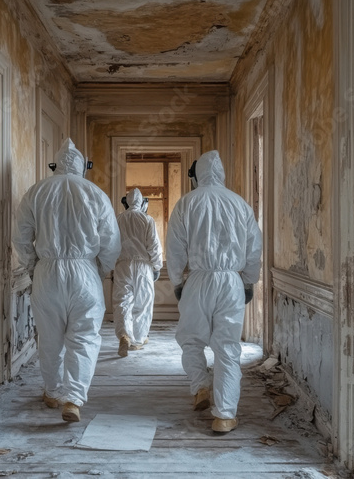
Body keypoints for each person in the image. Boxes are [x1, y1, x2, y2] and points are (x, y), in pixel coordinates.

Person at [12, 138, 120, 423]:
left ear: (55, 165)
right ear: (83, 166)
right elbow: (111, 241)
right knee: (84, 337)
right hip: (86, 272)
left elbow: (21, 237)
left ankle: (52, 390)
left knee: (50, 337)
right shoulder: (95, 193)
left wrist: (34, 266)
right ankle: (74, 398)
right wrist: (101, 270)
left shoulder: (36, 192)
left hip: (48, 272)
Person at [166, 150, 262, 434]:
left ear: (196, 175)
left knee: (191, 339)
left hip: (197, 279)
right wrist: (248, 282)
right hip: (231, 281)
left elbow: (174, 249)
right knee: (228, 348)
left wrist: (177, 282)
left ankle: (200, 388)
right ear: (220, 174)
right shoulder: (240, 204)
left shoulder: (186, 203)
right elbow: (253, 249)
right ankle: (225, 415)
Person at [112, 188, 163, 357]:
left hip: (123, 264)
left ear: (126, 202)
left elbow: (111, 244)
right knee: (143, 303)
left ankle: (124, 335)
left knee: (123, 302)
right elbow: (154, 246)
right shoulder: (147, 219)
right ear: (142, 202)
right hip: (143, 266)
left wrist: (113, 266)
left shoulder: (118, 219)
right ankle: (138, 340)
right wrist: (156, 267)